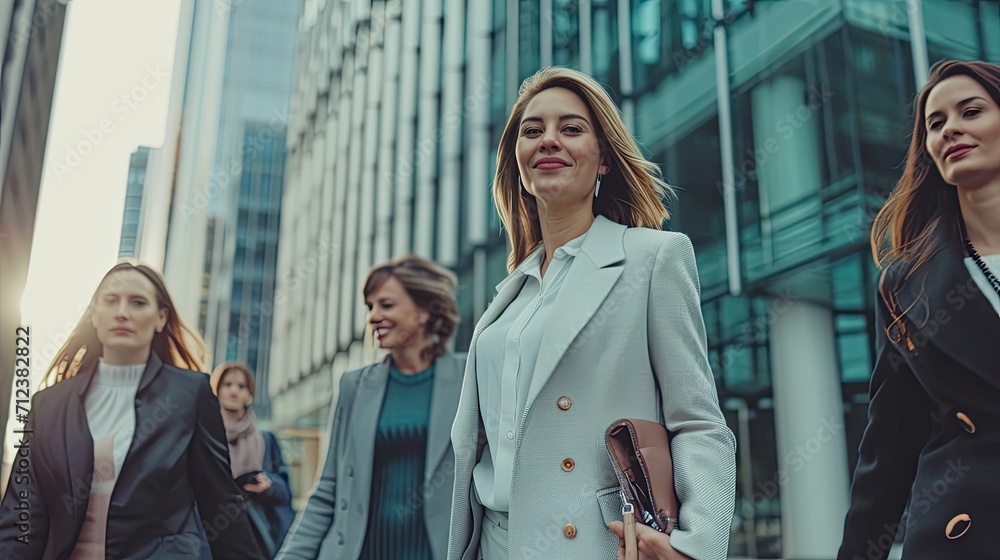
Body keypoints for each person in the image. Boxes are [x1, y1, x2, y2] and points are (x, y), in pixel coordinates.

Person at [447, 66, 737, 560]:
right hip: (490, 543)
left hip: (591, 543)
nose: (549, 141)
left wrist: (697, 545)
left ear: (603, 158)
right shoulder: (510, 294)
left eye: (572, 128)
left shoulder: (653, 259)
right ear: (517, 161)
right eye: (532, 131)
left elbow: (698, 422)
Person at [839, 60, 1000, 558]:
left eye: (970, 111)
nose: (950, 127)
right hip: (969, 529)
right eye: (935, 123)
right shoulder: (904, 286)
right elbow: (889, 446)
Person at [0, 261, 264, 559]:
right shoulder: (49, 405)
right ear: (95, 316)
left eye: (138, 302)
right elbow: (21, 520)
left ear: (161, 317)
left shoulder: (190, 395)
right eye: (111, 301)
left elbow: (221, 504)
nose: (122, 312)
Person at [278, 255, 466, 560]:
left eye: (386, 305)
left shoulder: (467, 377)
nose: (373, 316)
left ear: (422, 311)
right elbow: (329, 488)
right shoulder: (355, 386)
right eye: (370, 307)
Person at [211, 361, 296, 557]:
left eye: (241, 386)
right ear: (217, 390)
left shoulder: (265, 439)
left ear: (250, 394)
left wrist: (268, 484)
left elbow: (285, 493)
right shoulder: (206, 437)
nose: (234, 391)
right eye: (227, 384)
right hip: (214, 531)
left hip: (255, 532)